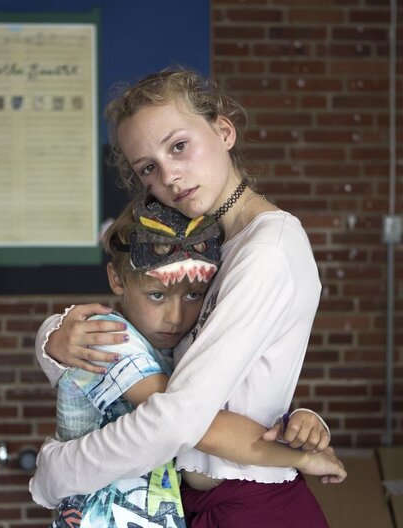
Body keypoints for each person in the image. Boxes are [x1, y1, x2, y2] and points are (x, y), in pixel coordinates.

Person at [30, 68, 337, 527]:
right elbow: (156, 362)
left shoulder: (268, 249)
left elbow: (176, 418)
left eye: (178, 146)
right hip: (192, 502)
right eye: (148, 168)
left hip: (251, 505)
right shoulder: (211, 248)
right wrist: (53, 338)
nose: (169, 175)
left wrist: (56, 472)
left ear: (224, 131)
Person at [51, 196, 345, 527]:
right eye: (157, 295)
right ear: (117, 279)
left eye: (193, 295)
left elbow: (246, 392)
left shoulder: (171, 345)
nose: (176, 317)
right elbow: (194, 422)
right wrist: (303, 458)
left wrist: (300, 419)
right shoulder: (107, 338)